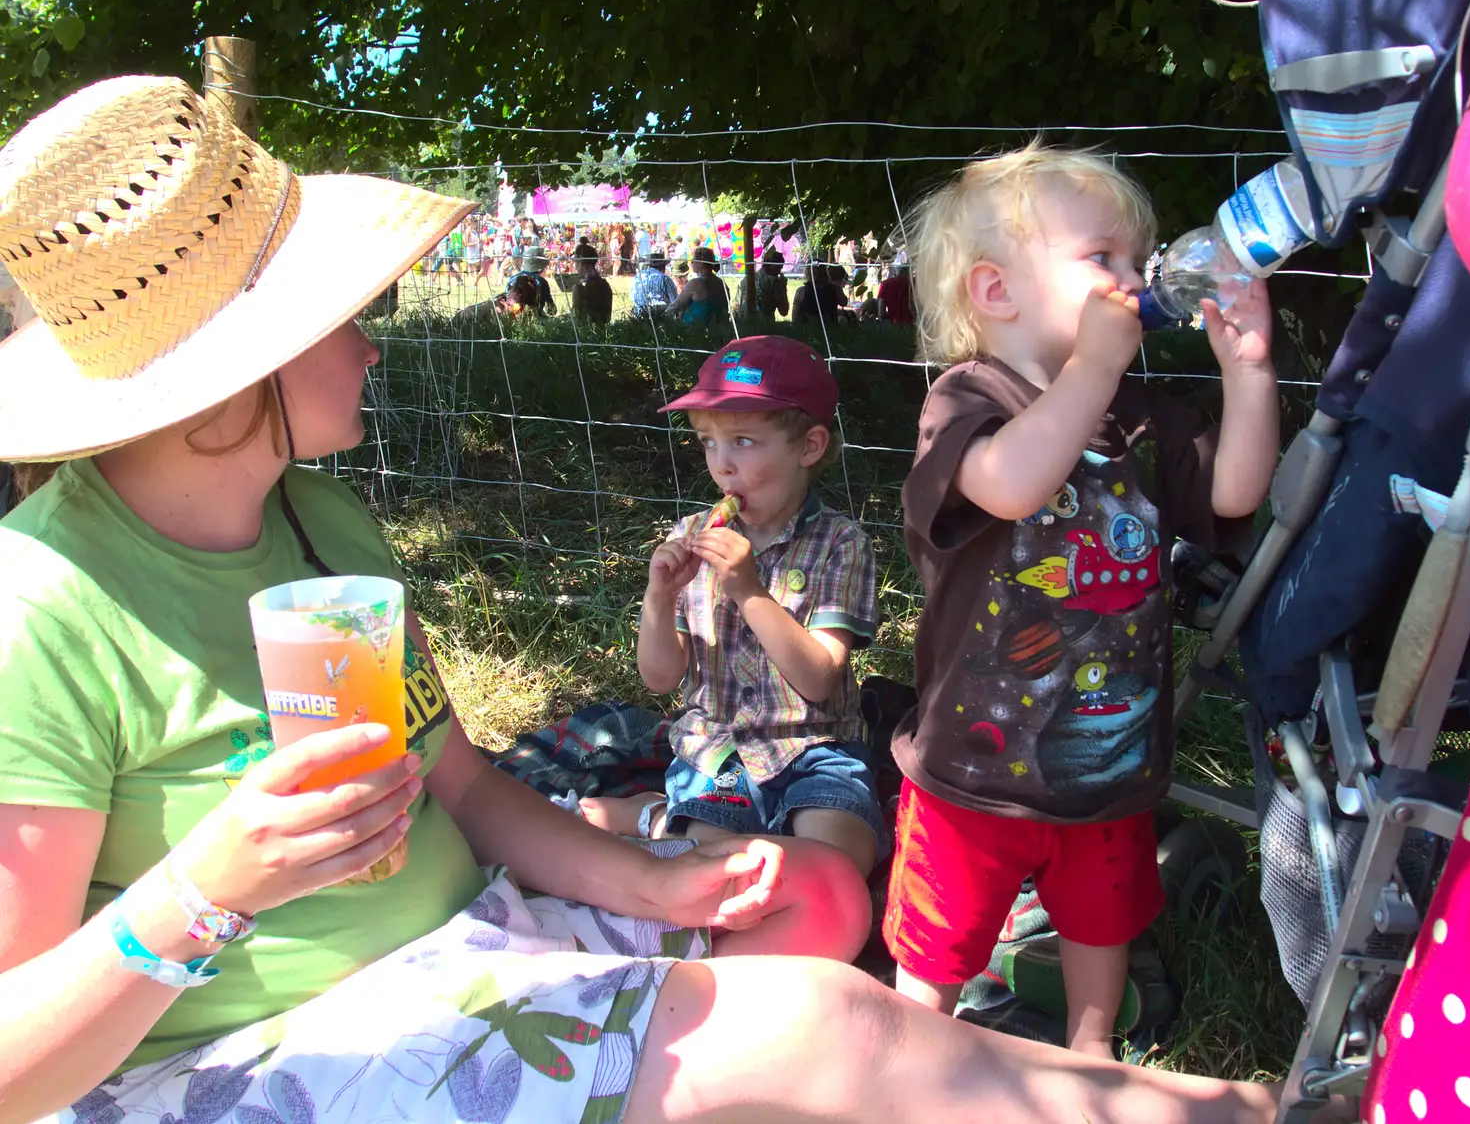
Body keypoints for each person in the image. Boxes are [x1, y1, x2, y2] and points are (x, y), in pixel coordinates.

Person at [0, 76, 1344, 1124]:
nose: (372, 331)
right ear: (234, 370)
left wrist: (660, 871)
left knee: (812, 896)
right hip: (252, 1048)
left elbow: (463, 788)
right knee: (827, 1022)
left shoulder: (318, 517)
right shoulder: (43, 609)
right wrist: (212, 886)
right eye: (337, 313)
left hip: (449, 933)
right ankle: (1252, 1107)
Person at [887, 142, 1280, 1058]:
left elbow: (1233, 491)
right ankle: (908, 1055)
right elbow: (1012, 483)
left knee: (1104, 917)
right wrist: (1091, 373)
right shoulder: (966, 400)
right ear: (997, 293)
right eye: (1102, 259)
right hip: (975, 763)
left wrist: (1249, 371)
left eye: (1133, 261)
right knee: (941, 936)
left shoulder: (1139, 409)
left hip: (1109, 751)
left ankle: (1092, 1049)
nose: (1133, 279)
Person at [580, 338, 888, 881]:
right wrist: (659, 597)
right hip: (717, 751)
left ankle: (658, 817)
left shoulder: (841, 544)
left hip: (816, 746)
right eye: (707, 442)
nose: (722, 466)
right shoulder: (693, 536)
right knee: (716, 871)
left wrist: (750, 592)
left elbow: (818, 679)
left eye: (742, 441)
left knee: (837, 866)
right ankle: (659, 816)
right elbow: (659, 678)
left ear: (809, 446)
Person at [666, 245, 730, 325]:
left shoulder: (695, 284)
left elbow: (675, 307)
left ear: (701, 264)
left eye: (693, 259)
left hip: (695, 333)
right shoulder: (722, 283)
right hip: (719, 331)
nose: (691, 262)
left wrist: (661, 318)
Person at [791, 261, 849, 328]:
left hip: (809, 330)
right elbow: (844, 302)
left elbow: (795, 319)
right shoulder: (835, 289)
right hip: (830, 330)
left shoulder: (801, 291)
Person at [743, 246, 790, 327]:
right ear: (770, 264)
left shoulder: (747, 278)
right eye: (779, 267)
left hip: (744, 325)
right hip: (765, 327)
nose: (780, 271)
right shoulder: (774, 281)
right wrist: (783, 287)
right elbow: (784, 311)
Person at [570, 240, 614, 324]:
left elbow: (575, 318)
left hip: (584, 334)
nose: (575, 266)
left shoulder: (580, 289)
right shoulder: (606, 285)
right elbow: (607, 318)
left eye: (576, 263)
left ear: (583, 264)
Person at [631, 250, 677, 317]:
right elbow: (675, 303)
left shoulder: (637, 277)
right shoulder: (665, 279)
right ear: (662, 266)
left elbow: (633, 297)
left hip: (638, 316)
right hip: (659, 317)